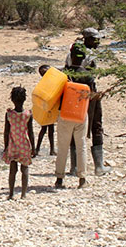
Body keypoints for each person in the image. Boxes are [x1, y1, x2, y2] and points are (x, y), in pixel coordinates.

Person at [66, 28, 111, 176]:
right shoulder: (88, 55)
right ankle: (99, 167)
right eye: (95, 39)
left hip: (73, 94)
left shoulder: (70, 54)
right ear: (87, 39)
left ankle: (74, 166)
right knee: (96, 126)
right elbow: (88, 77)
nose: (98, 42)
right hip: (88, 94)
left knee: (75, 127)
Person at [2, 86, 35, 199]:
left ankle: (11, 193)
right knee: (24, 169)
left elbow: (6, 132)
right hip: (24, 145)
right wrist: (33, 148)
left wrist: (6, 147)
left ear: (12, 99)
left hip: (13, 145)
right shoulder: (28, 114)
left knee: (13, 170)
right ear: (25, 99)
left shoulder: (9, 114)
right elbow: (30, 133)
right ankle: (23, 194)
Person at [34, 65, 56, 156]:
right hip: (47, 107)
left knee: (47, 129)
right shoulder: (48, 82)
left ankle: (39, 149)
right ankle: (46, 149)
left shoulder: (44, 82)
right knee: (47, 129)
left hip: (47, 107)